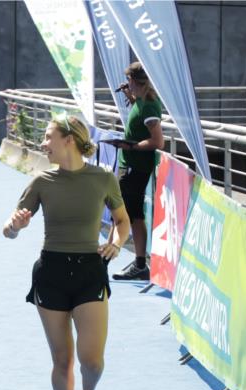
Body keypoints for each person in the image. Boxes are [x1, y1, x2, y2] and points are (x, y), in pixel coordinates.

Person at [4, 114, 130, 390]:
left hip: (91, 270)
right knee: (62, 360)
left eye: (48, 137)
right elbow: (9, 229)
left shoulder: (103, 178)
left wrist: (116, 243)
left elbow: (122, 221)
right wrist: (15, 225)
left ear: (68, 139)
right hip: (51, 273)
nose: (43, 144)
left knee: (92, 360)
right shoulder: (42, 181)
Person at [109, 62, 164, 282]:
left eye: (129, 81)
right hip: (130, 164)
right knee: (131, 214)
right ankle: (138, 262)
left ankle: (137, 262)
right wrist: (132, 99)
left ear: (136, 81)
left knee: (131, 214)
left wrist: (130, 146)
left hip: (136, 166)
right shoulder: (141, 101)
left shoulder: (149, 105)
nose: (127, 84)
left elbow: (158, 141)